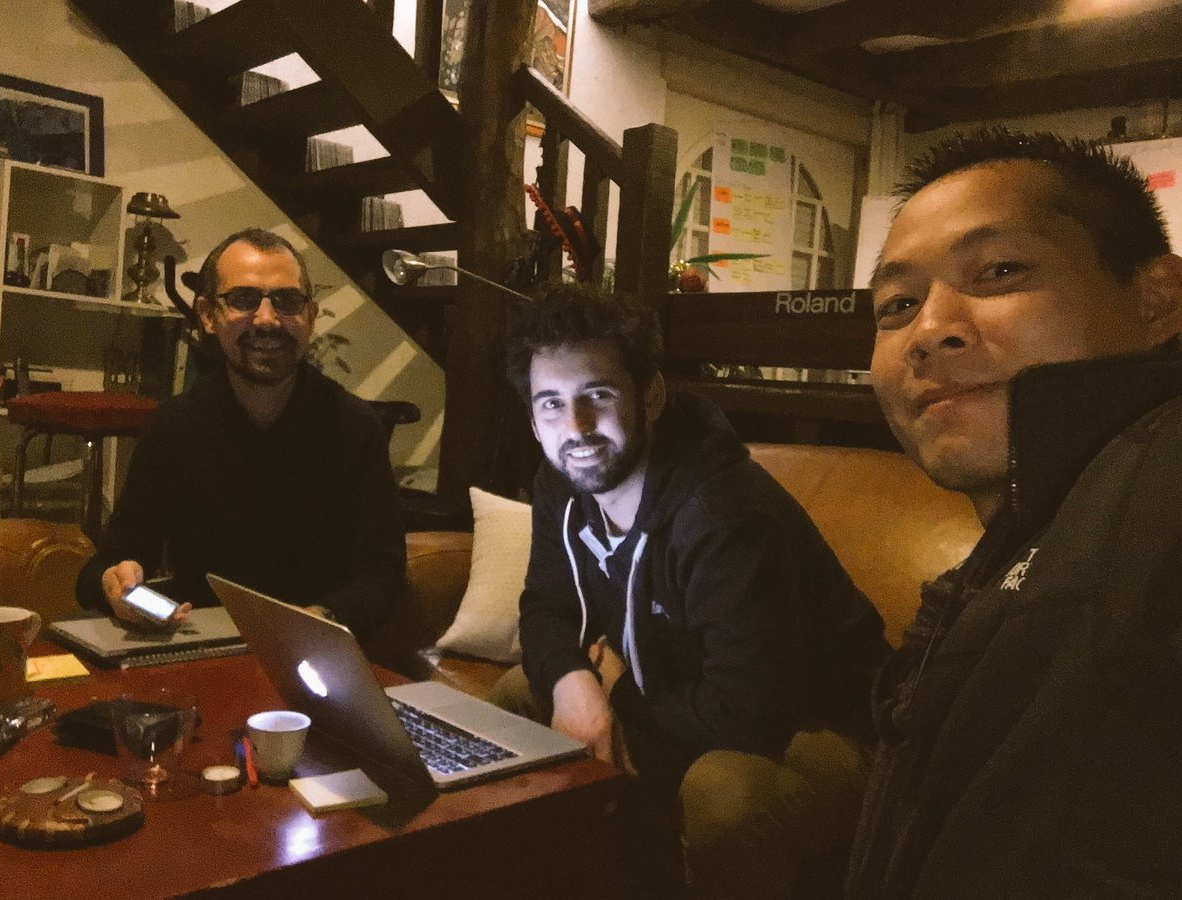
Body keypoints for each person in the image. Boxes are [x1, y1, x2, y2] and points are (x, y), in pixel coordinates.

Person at [848, 128, 1182, 898]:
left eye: (1000, 271)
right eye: (898, 305)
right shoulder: (1038, 532)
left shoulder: (1159, 489)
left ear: (1157, 299)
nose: (928, 331)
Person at [492, 284, 890, 896]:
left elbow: (748, 711)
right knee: (518, 694)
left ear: (650, 395)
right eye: (552, 403)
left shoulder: (723, 513)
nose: (576, 427)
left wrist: (616, 693)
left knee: (724, 795)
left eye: (598, 395)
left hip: (825, 719)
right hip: (678, 689)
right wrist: (576, 684)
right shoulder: (561, 482)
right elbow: (546, 605)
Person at [75, 228, 406, 642]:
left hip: (316, 648)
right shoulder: (175, 426)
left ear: (310, 316)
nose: (267, 319)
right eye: (244, 300)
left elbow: (382, 574)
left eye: (287, 301)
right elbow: (116, 558)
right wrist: (115, 583)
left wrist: (313, 620)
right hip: (198, 644)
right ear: (207, 315)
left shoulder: (354, 427)